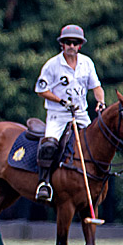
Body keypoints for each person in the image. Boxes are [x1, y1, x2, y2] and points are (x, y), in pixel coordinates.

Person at [33, 24, 105, 202]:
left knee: (96, 144)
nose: (71, 46)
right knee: (49, 145)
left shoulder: (86, 63)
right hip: (58, 115)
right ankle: (44, 183)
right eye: (67, 42)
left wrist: (100, 101)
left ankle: (96, 181)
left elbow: (96, 87)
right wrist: (61, 101)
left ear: (80, 45)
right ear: (62, 45)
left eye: (75, 42)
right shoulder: (52, 65)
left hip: (81, 114)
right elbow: (41, 90)